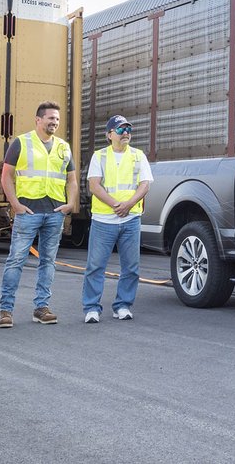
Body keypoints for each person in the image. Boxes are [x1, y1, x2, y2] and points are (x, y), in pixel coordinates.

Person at [0, 102, 79, 328]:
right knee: (15, 261)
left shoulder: (63, 146)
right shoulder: (21, 143)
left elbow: (71, 179)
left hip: (54, 213)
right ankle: (6, 311)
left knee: (48, 262)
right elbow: (6, 176)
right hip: (28, 212)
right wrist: (15, 205)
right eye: (50, 118)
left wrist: (70, 204)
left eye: (57, 119)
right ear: (38, 120)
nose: (55, 122)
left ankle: (41, 308)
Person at [81, 115, 152, 323]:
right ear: (109, 135)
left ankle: (123, 305)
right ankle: (91, 308)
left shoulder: (138, 156)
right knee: (95, 266)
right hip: (104, 220)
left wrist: (128, 205)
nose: (126, 133)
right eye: (120, 130)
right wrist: (115, 205)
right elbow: (94, 185)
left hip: (130, 219)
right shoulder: (100, 156)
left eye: (128, 129)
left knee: (131, 266)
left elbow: (145, 184)